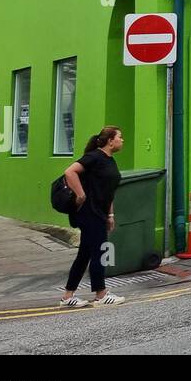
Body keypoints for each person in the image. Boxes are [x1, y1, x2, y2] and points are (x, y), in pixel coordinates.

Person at [59, 126, 126, 307]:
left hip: (100, 213)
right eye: (120, 137)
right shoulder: (94, 157)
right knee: (99, 252)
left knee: (85, 254)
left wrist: (110, 214)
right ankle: (101, 294)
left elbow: (108, 191)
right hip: (89, 213)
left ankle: (67, 296)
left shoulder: (110, 160)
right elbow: (70, 172)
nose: (122, 140)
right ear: (110, 141)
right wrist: (81, 195)